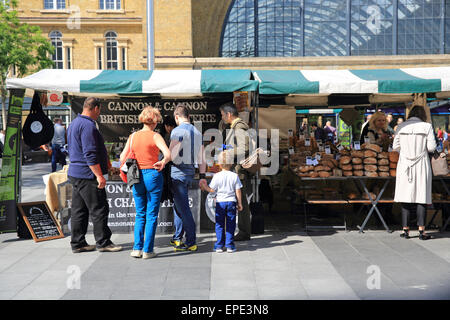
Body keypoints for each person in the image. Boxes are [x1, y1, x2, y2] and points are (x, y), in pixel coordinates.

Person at [67, 97, 122, 253]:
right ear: (96, 108)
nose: (99, 113)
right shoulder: (88, 126)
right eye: (99, 110)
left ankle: (78, 243)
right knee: (99, 209)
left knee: (79, 210)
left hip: (76, 173)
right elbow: (90, 154)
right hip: (87, 174)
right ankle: (103, 242)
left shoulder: (74, 123)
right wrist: (99, 175)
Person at [120, 107, 171, 259]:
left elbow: (123, 156)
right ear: (155, 121)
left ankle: (137, 249)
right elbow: (168, 154)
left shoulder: (133, 136)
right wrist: (162, 162)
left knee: (140, 213)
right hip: (153, 174)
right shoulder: (156, 136)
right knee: (152, 214)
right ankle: (148, 250)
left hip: (136, 175)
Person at [393, 106, 436, 240]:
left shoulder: (400, 126)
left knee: (405, 195)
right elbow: (431, 147)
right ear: (423, 115)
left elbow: (395, 146)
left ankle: (405, 230)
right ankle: (421, 230)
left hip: (405, 163)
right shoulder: (427, 127)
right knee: (421, 196)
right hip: (421, 163)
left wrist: (405, 152)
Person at [169, 104, 206, 252]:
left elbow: (172, 154)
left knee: (183, 209)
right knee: (179, 206)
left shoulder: (177, 131)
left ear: (177, 117)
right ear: (189, 116)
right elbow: (202, 157)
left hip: (177, 175)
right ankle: (177, 238)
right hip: (190, 174)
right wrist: (202, 176)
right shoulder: (197, 132)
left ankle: (191, 241)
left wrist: (163, 159)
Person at [219, 102, 251, 241]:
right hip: (236, 170)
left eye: (222, 115)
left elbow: (244, 149)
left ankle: (244, 231)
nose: (222, 118)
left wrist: (228, 152)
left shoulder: (239, 128)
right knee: (239, 201)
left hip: (239, 171)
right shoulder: (233, 127)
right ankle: (242, 231)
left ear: (229, 114)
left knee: (241, 201)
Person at [200, 151, 243, 253]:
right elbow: (238, 190)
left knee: (219, 224)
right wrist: (240, 203)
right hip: (231, 202)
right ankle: (230, 245)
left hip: (220, 203)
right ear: (231, 163)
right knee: (231, 224)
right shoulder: (234, 176)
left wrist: (205, 186)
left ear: (218, 163)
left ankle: (219, 245)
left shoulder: (217, 176)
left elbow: (212, 190)